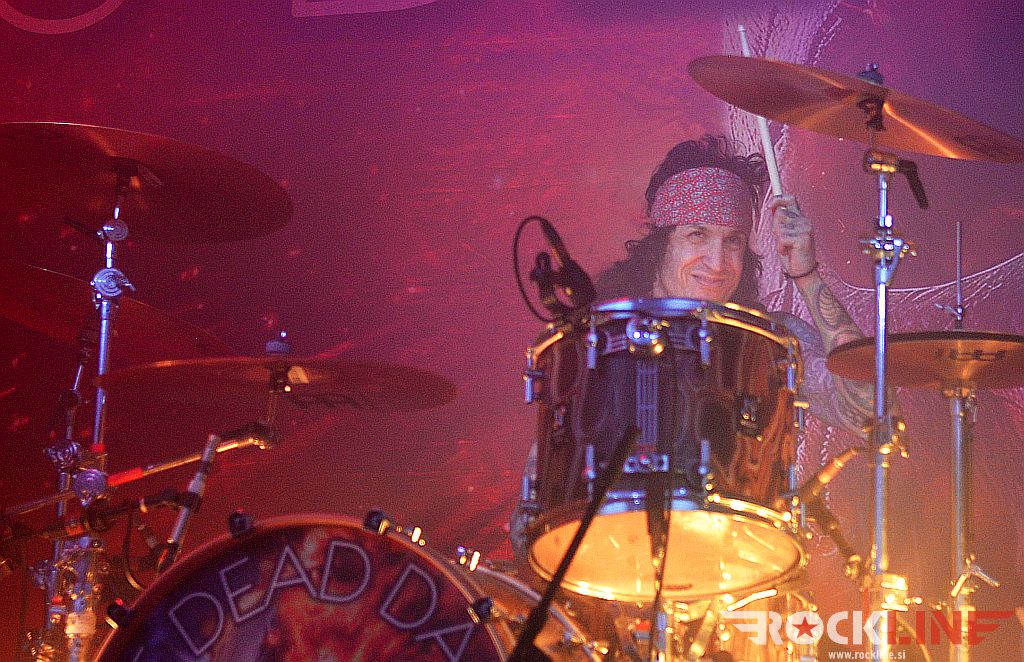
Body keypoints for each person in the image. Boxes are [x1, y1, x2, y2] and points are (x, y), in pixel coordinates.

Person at [510, 135, 873, 555]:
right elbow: (528, 525)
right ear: (661, 243)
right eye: (697, 235)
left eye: (732, 241)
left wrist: (807, 276)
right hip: (608, 560)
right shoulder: (600, 340)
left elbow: (871, 412)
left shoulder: (770, 342)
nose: (718, 263)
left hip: (735, 565)